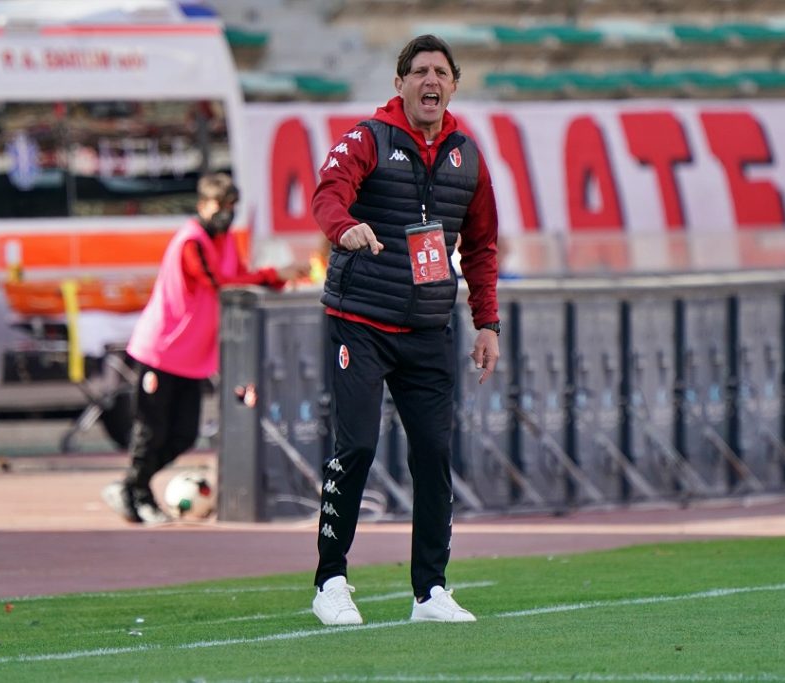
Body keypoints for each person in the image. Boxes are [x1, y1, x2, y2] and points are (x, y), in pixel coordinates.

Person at [309, 34, 500, 625]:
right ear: (400, 84)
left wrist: (487, 323)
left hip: (429, 329)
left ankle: (430, 592)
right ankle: (330, 581)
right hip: (361, 323)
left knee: (435, 455)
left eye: (440, 72)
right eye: (419, 71)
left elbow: (482, 246)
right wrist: (343, 227)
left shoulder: (468, 156)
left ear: (454, 85)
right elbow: (328, 193)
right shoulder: (368, 138)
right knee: (357, 446)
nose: (430, 81)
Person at [102, 173, 309, 524]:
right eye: (220, 205)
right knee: (151, 430)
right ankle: (138, 494)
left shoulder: (226, 240)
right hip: (162, 349)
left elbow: (240, 278)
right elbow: (220, 284)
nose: (226, 213)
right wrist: (275, 274)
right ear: (202, 205)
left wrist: (275, 280)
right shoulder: (191, 242)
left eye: (231, 206)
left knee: (184, 434)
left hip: (192, 356)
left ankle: (129, 487)